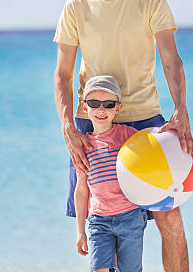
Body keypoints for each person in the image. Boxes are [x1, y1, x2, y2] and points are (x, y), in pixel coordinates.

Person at [54, 0, 193, 272]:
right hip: (97, 122)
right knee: (106, 225)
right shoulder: (75, 7)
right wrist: (68, 126)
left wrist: (181, 110)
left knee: (170, 219)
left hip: (146, 122)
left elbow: (171, 60)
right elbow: (63, 74)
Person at [74, 75, 147, 272]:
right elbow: (81, 190)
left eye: (108, 104)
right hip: (99, 220)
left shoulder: (128, 136)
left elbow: (153, 152)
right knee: (99, 269)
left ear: (118, 108)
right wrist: (80, 231)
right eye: (94, 103)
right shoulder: (82, 146)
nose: (101, 109)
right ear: (84, 106)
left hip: (130, 216)